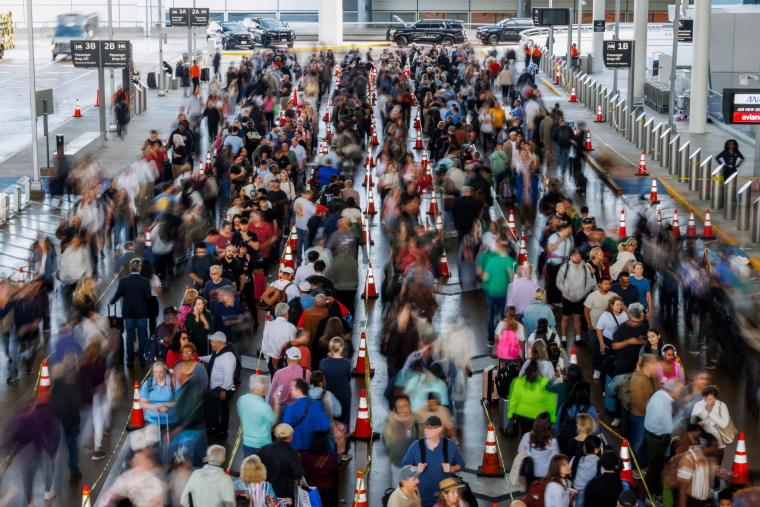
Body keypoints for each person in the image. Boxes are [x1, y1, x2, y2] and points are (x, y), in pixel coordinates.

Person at [401, 415, 466, 507]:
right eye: (426, 428)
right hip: (421, 498)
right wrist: (415, 468)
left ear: (439, 429)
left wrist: (451, 468)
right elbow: (404, 465)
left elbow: (461, 464)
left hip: (445, 499)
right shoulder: (416, 446)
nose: (426, 430)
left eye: (430, 428)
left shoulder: (450, 445)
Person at [645, 378, 685, 501]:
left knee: (654, 465)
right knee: (655, 467)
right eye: (680, 392)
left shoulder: (658, 394)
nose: (681, 394)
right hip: (657, 439)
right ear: (674, 391)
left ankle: (653, 491)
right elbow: (669, 428)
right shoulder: (665, 403)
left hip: (650, 434)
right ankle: (652, 495)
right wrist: (681, 417)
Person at [109, 258, 152, 368]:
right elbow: (148, 298)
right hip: (142, 313)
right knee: (142, 337)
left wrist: (111, 302)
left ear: (130, 268)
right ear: (140, 269)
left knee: (130, 337)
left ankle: (130, 361)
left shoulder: (123, 281)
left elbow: (117, 294)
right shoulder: (145, 281)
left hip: (128, 313)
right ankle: (142, 360)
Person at [201, 331, 240, 441]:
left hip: (221, 391)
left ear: (220, 342)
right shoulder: (218, 352)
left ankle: (221, 433)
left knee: (222, 412)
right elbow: (212, 358)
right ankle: (215, 430)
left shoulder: (227, 357)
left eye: (213, 341)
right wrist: (199, 358)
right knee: (215, 411)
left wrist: (223, 390)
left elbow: (228, 376)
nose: (210, 343)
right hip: (215, 389)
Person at [556, 248, 596, 346]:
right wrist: (566, 291)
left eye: (578, 255)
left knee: (578, 317)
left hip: (580, 297)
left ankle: (578, 338)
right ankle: (564, 339)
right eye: (575, 255)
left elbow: (589, 282)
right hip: (567, 298)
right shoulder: (564, 268)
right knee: (566, 318)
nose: (577, 257)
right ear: (571, 257)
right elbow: (559, 282)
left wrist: (583, 293)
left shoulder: (585, 268)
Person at [256, 424, 305, 503]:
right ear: (290, 437)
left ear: (276, 435)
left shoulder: (265, 448)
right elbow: (298, 472)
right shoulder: (292, 452)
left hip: (266, 492)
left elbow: (254, 463)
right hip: (284, 495)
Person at [384, 394, 425, 486]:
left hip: (414, 465)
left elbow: (423, 441)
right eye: (399, 406)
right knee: (398, 489)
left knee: (414, 491)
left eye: (404, 406)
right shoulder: (390, 421)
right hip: (397, 464)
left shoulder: (417, 420)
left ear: (410, 406)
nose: (402, 409)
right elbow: (387, 442)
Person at [282, 378, 330, 451]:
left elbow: (285, 429)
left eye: (291, 389)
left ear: (299, 391)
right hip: (314, 448)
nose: (290, 391)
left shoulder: (291, 408)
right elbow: (325, 426)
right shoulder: (317, 405)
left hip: (295, 448)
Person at [238, 374, 279, 458]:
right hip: (262, 444)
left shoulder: (241, 400)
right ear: (264, 389)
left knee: (249, 467)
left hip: (247, 442)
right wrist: (277, 403)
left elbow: (242, 418)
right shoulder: (265, 407)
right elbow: (273, 422)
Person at [318, 336, 352, 427]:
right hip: (343, 394)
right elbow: (348, 378)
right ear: (341, 347)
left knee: (329, 418)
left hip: (328, 393)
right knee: (344, 419)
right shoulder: (347, 363)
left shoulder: (323, 362)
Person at [517, 412, 560, 480]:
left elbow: (520, 451)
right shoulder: (552, 441)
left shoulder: (527, 436)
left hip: (530, 471)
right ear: (549, 426)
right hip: (545, 474)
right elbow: (555, 459)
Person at [691, 384, 732, 451]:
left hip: (719, 444)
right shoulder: (698, 405)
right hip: (703, 443)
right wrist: (705, 412)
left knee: (717, 461)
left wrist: (711, 413)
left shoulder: (722, 406)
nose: (707, 401)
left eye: (710, 399)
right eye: (705, 398)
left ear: (716, 397)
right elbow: (693, 422)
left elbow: (724, 425)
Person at [611, 303, 648, 376]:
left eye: (638, 322)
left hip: (640, 363)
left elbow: (649, 341)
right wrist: (629, 342)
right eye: (634, 321)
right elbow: (614, 346)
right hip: (625, 365)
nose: (637, 324)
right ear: (629, 317)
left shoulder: (645, 324)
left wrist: (644, 342)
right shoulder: (622, 328)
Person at [595, 295, 627, 378]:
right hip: (607, 342)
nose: (619, 307)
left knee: (616, 363)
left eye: (620, 304)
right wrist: (602, 344)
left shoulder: (624, 314)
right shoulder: (605, 315)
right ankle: (604, 382)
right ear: (611, 305)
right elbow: (599, 330)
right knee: (605, 362)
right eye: (617, 305)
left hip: (619, 342)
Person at [262, 303, 297, 375]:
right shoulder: (291, 327)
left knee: (274, 380)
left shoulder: (268, 325)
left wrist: (267, 360)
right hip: (285, 360)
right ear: (286, 313)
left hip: (272, 359)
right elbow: (294, 346)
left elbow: (264, 344)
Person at [139, 361, 176, 426]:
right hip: (152, 420)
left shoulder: (173, 382)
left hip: (171, 420)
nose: (158, 374)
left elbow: (180, 401)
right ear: (153, 373)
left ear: (164, 372)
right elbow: (143, 403)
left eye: (161, 371)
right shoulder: (148, 383)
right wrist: (157, 407)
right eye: (156, 372)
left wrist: (164, 404)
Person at [569, 435, 601, 507]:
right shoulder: (598, 462)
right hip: (585, 493)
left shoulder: (575, 458)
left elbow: (570, 473)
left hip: (573, 490)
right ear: (596, 450)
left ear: (584, 447)